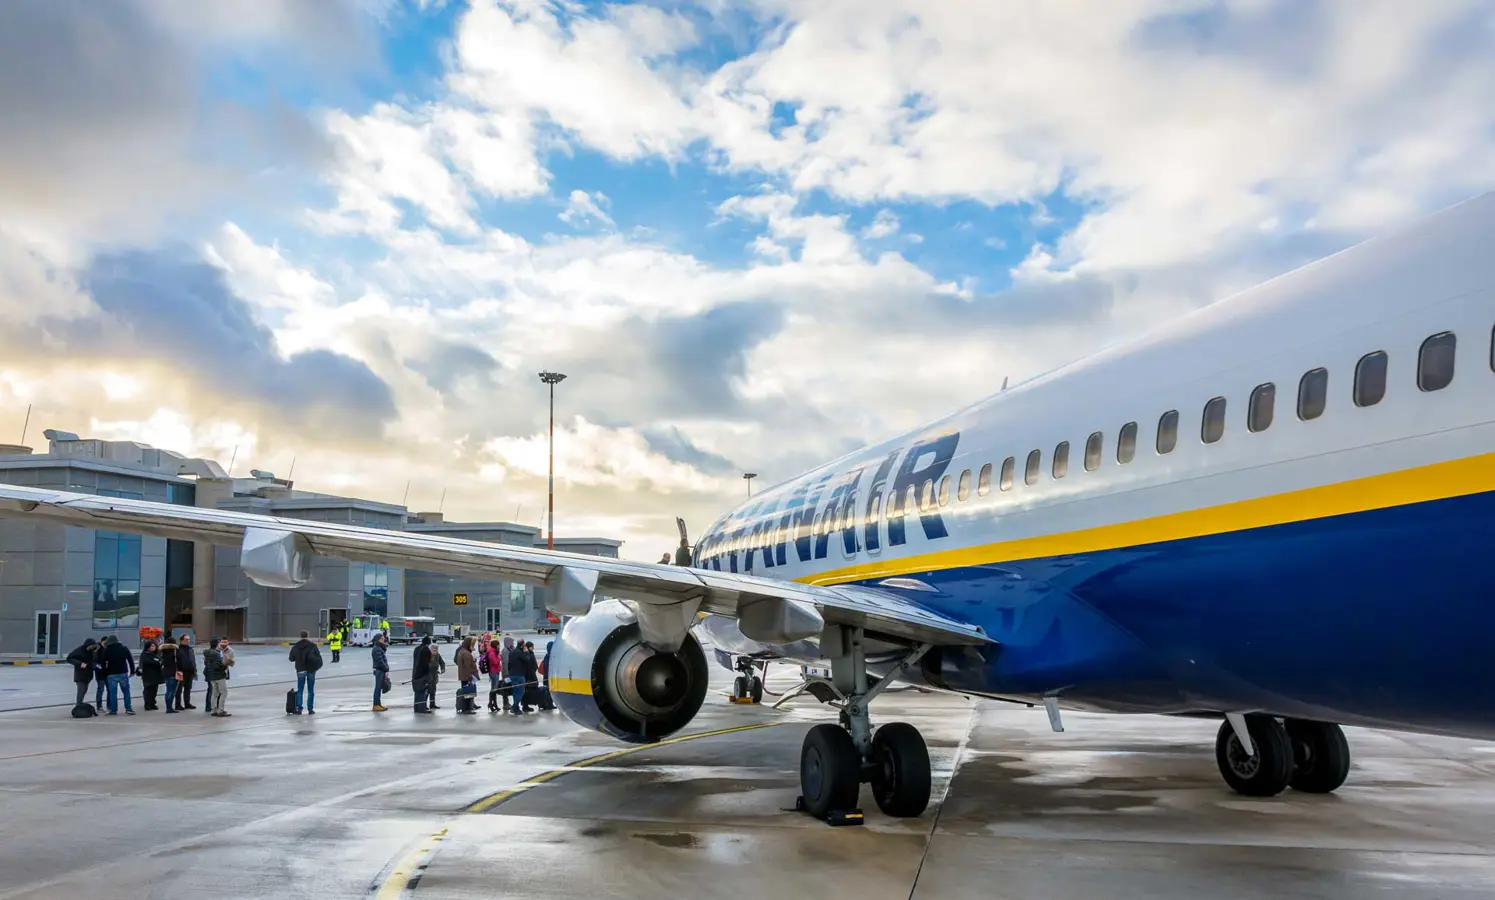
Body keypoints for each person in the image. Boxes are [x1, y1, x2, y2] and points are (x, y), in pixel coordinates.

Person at [102, 634, 137, 715]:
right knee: (126, 692)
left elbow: (103, 663)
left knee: (113, 693)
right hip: (123, 673)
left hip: (111, 674)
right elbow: (130, 660)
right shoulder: (124, 648)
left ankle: (113, 710)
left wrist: (105, 672)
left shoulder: (107, 650)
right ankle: (128, 708)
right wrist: (132, 671)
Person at [289, 630, 322, 715]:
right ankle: (310, 709)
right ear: (307, 636)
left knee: (300, 690)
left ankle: (299, 709)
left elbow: (291, 658)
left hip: (300, 669)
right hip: (311, 670)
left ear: (300, 636)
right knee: (310, 690)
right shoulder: (312, 645)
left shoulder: (296, 646)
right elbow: (318, 657)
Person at [66, 638, 99, 708]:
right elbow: (69, 658)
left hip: (88, 675)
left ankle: (80, 705)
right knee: (81, 690)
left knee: (84, 690)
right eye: (92, 646)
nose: (93, 648)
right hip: (80, 675)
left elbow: (94, 661)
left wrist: (97, 666)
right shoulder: (79, 650)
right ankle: (78, 706)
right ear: (88, 645)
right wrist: (80, 663)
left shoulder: (92, 651)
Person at [203, 637, 230, 717]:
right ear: (217, 644)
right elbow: (219, 665)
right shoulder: (216, 654)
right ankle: (220, 710)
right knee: (223, 692)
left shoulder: (208, 653)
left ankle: (213, 709)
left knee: (214, 693)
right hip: (219, 675)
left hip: (212, 675)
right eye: (220, 643)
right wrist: (226, 664)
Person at [455, 637, 479, 715]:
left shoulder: (462, 651)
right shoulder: (466, 653)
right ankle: (467, 709)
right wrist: (470, 677)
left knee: (467, 693)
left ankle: (467, 708)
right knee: (468, 694)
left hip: (464, 676)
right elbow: (468, 667)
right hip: (467, 677)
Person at [139, 639, 164, 711]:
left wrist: (160, 662)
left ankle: (153, 703)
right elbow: (142, 663)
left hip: (155, 674)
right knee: (148, 690)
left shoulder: (156, 654)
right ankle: (147, 704)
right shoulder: (144, 654)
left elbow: (160, 661)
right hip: (147, 675)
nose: (153, 647)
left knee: (154, 690)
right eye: (152, 646)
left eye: (154, 646)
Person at [411, 636, 434, 714]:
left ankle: (417, 708)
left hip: (415, 672)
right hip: (422, 674)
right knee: (422, 691)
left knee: (417, 691)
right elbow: (426, 664)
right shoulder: (426, 650)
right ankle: (422, 708)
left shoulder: (417, 649)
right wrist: (428, 674)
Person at [504, 637, 526, 715]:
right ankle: (515, 706)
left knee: (515, 691)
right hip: (519, 675)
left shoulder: (512, 652)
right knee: (521, 692)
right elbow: (527, 661)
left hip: (512, 674)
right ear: (522, 645)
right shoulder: (520, 652)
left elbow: (508, 664)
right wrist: (526, 652)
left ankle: (516, 708)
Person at [175, 635, 197, 710]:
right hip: (181, 672)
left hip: (190, 672)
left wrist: (194, 669)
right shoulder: (178, 649)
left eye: (189, 639)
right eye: (186, 639)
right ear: (182, 640)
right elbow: (176, 661)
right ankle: (177, 704)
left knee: (188, 688)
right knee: (179, 689)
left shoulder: (190, 649)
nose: (188, 641)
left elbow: (193, 660)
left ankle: (187, 703)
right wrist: (178, 670)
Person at [484, 638, 505, 713]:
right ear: (496, 645)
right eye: (498, 645)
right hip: (493, 672)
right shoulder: (492, 653)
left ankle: (493, 704)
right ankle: (491, 703)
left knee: (494, 689)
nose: (499, 646)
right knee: (494, 689)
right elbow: (495, 662)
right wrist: (499, 657)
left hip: (496, 671)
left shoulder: (494, 652)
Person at [160, 636, 180, 714]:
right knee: (171, 691)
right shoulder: (173, 653)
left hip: (166, 672)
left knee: (168, 690)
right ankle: (169, 708)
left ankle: (169, 707)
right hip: (172, 672)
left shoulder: (163, 651)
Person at [371, 632, 390, 712]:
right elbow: (380, 661)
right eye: (382, 639)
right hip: (379, 670)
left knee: (379, 687)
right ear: (378, 640)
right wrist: (385, 668)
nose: (384, 640)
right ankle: (376, 705)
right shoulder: (377, 649)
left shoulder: (379, 648)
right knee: (378, 688)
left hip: (381, 670)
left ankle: (378, 704)